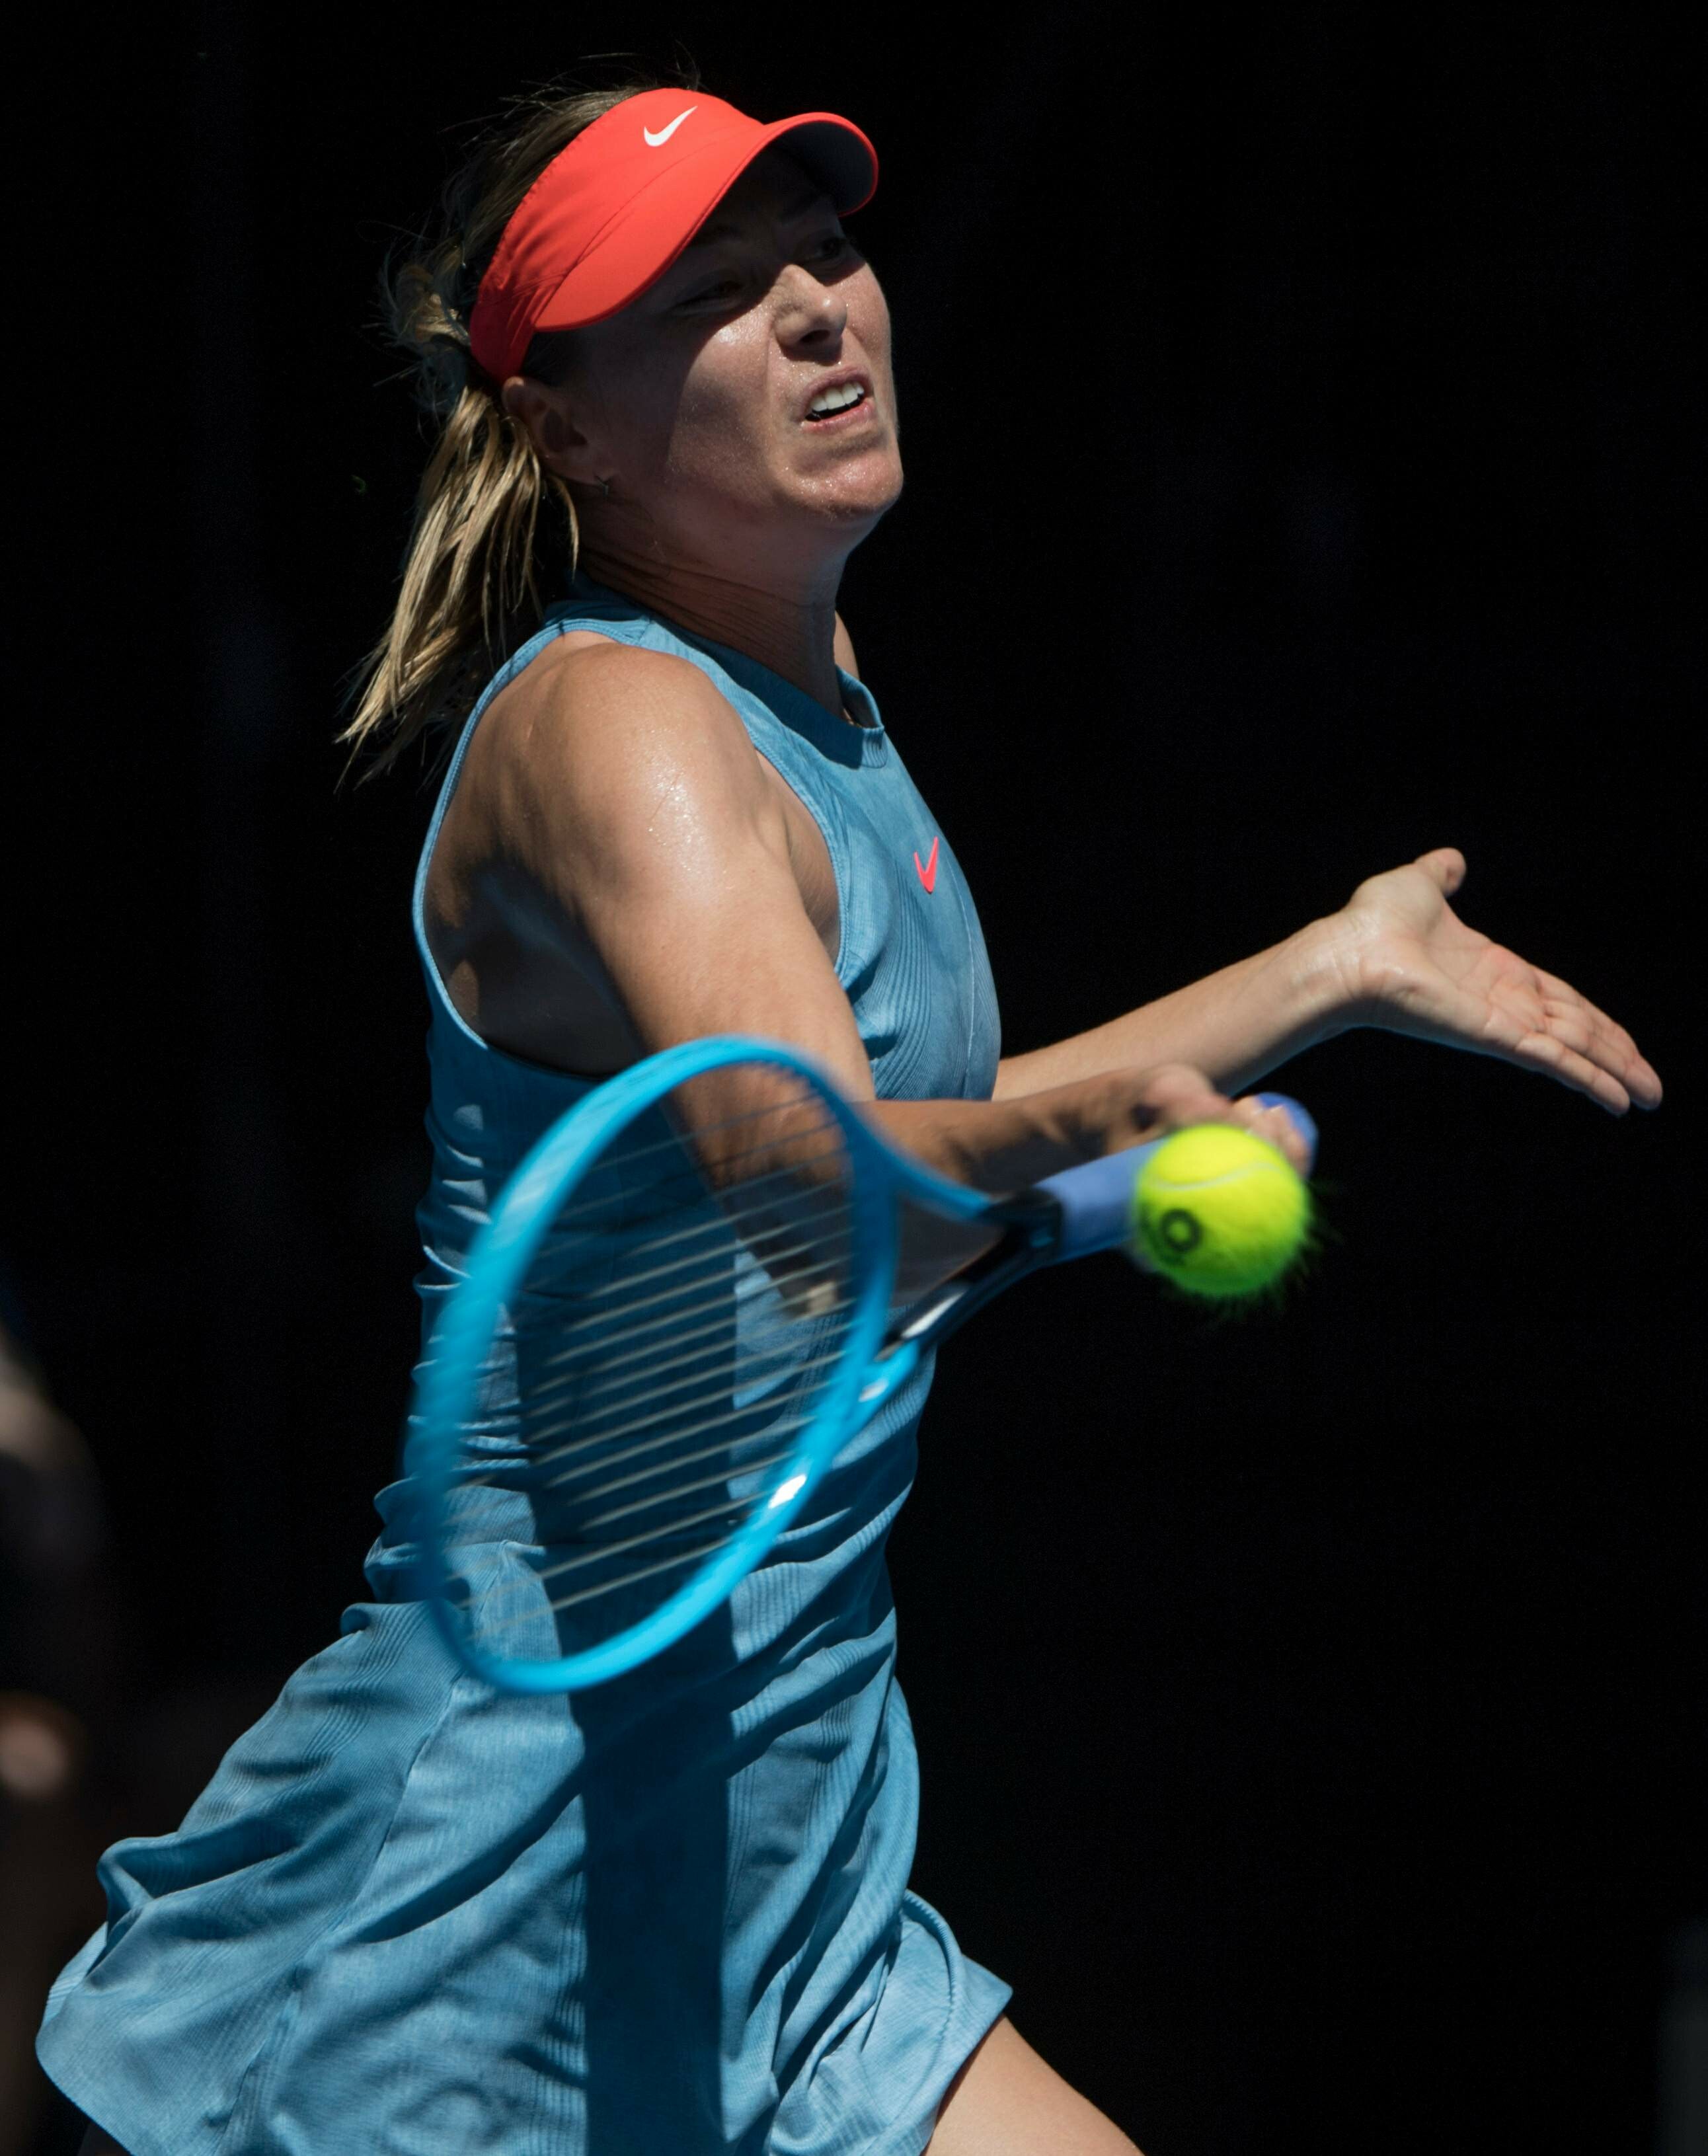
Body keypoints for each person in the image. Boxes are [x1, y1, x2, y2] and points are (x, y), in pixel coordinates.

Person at [37, 73, 1660, 2156]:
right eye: (718, 292)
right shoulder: (620, 725)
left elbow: (918, 1136)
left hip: (790, 1887)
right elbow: (816, 1188)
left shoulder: (827, 719)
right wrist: (1110, 1152)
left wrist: (1329, 971)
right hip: (475, 1929)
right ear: (566, 432)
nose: (818, 306)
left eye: (824, 248)